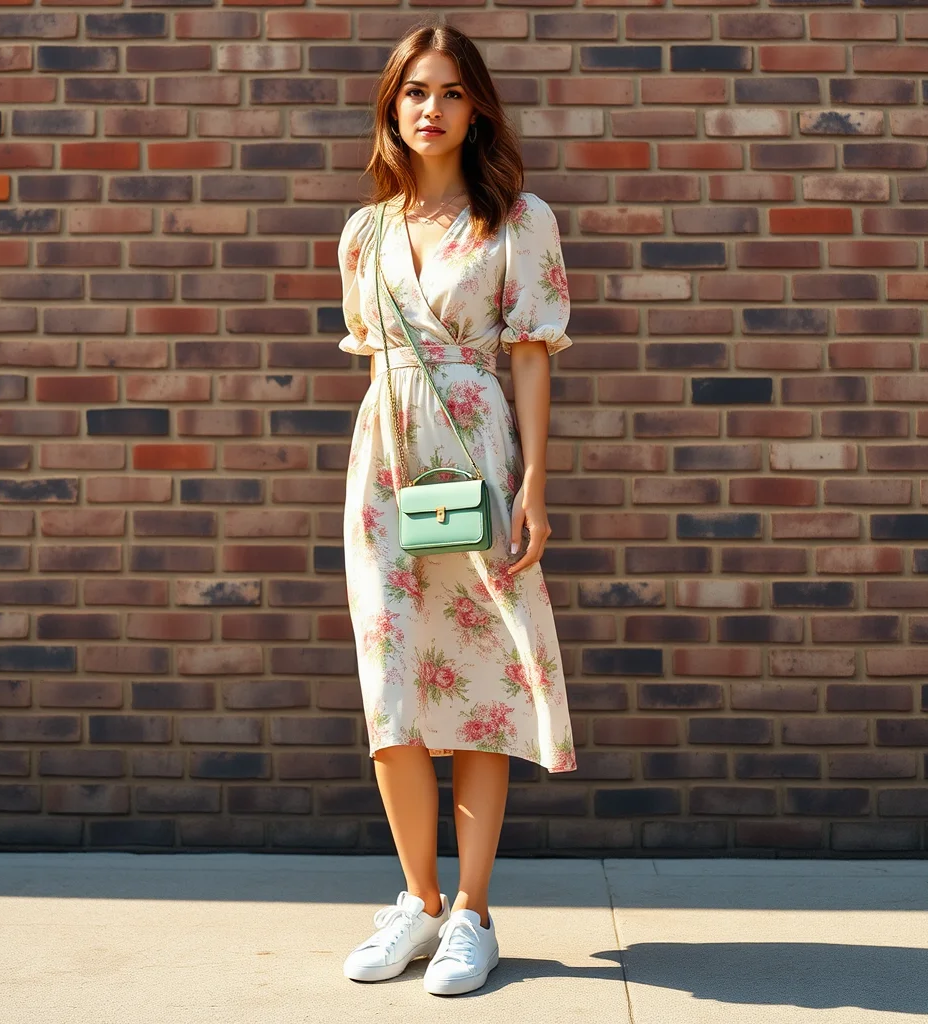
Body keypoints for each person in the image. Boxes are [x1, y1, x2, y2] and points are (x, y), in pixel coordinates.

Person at [336, 20, 577, 997]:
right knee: (391, 682)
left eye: (446, 91)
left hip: (475, 462)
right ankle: (419, 904)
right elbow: (374, 349)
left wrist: (533, 483)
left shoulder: (520, 220)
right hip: (384, 470)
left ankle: (473, 911)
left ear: (476, 105)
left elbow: (527, 353)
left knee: (478, 685)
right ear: (392, 109)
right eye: (412, 93)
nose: (428, 109)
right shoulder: (366, 233)